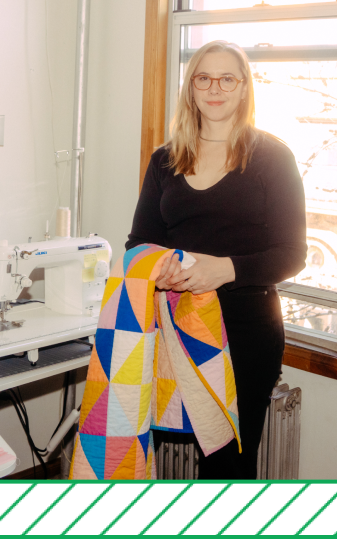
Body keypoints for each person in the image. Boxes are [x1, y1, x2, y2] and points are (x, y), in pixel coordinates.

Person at [126, 40, 306, 479]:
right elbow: (138, 243)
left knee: (227, 467)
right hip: (176, 326)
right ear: (191, 87)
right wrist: (159, 265)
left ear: (244, 88)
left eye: (228, 78)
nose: (215, 88)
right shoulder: (165, 160)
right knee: (154, 440)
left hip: (245, 334)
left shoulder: (272, 158)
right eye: (204, 77)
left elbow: (292, 254)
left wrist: (223, 269)